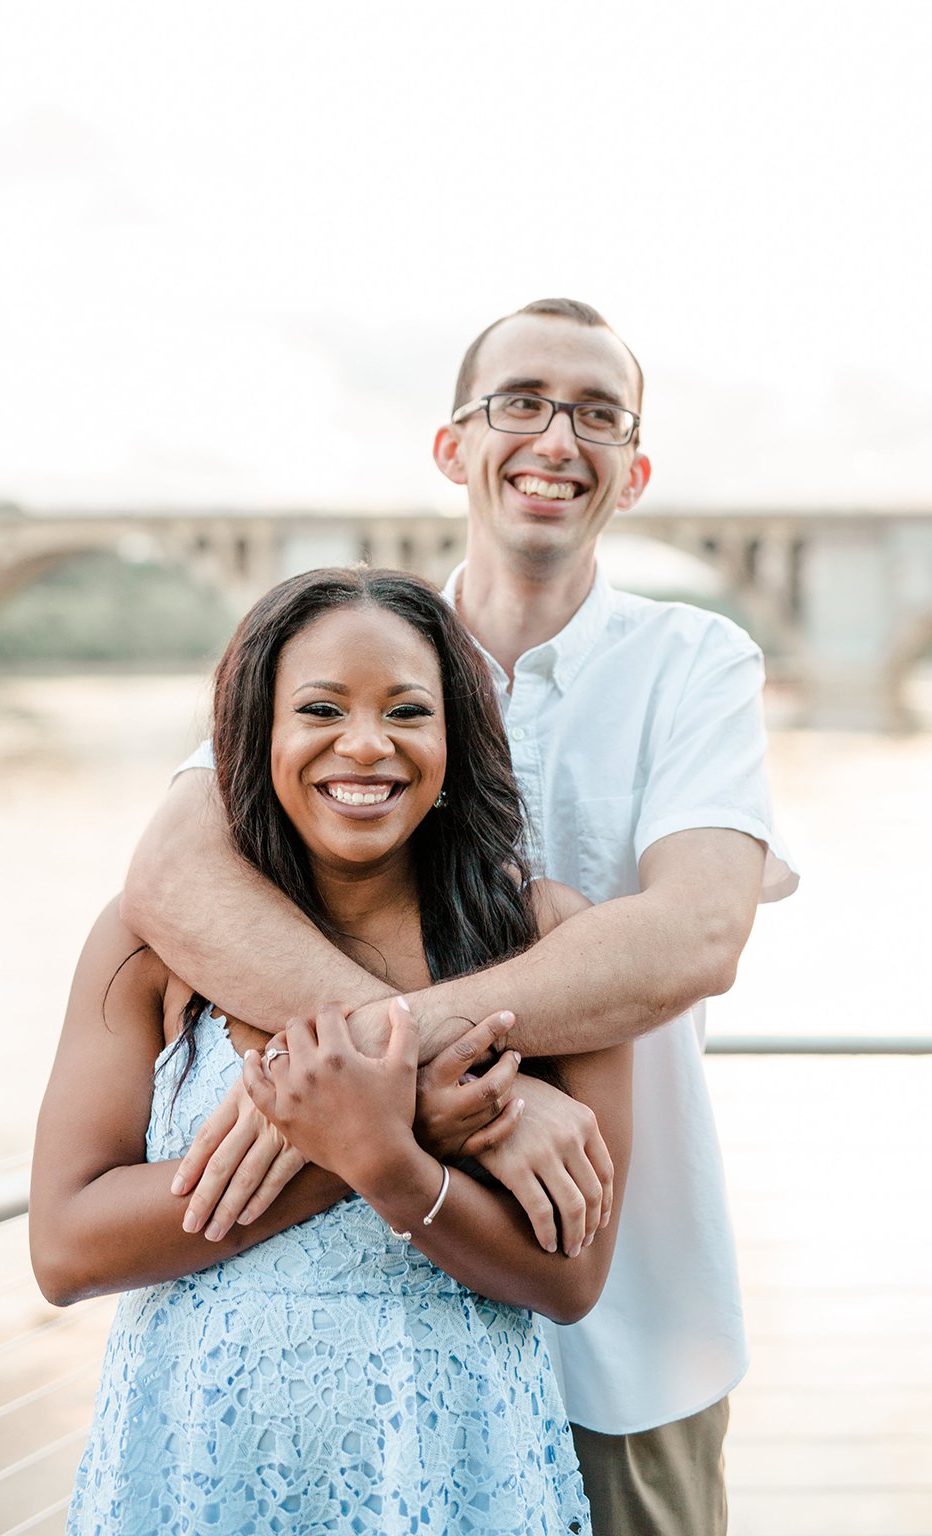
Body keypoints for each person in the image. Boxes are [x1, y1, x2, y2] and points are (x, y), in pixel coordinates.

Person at [121, 298, 799, 1536]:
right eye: (521, 402)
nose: (557, 436)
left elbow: (697, 935)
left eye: (599, 415)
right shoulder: (358, 647)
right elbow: (170, 882)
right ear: (452, 447)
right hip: (367, 1321)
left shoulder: (697, 663)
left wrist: (394, 1067)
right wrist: (491, 1085)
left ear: (633, 472)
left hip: (616, 1302)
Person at [30, 566, 633, 1536]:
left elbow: (570, 1279)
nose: (365, 744)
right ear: (254, 735)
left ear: (455, 739)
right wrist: (373, 1139)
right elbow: (64, 1248)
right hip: (200, 1468)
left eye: (407, 711)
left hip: (451, 1473)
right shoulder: (152, 948)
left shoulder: (547, 945)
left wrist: (383, 1157)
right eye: (319, 708)